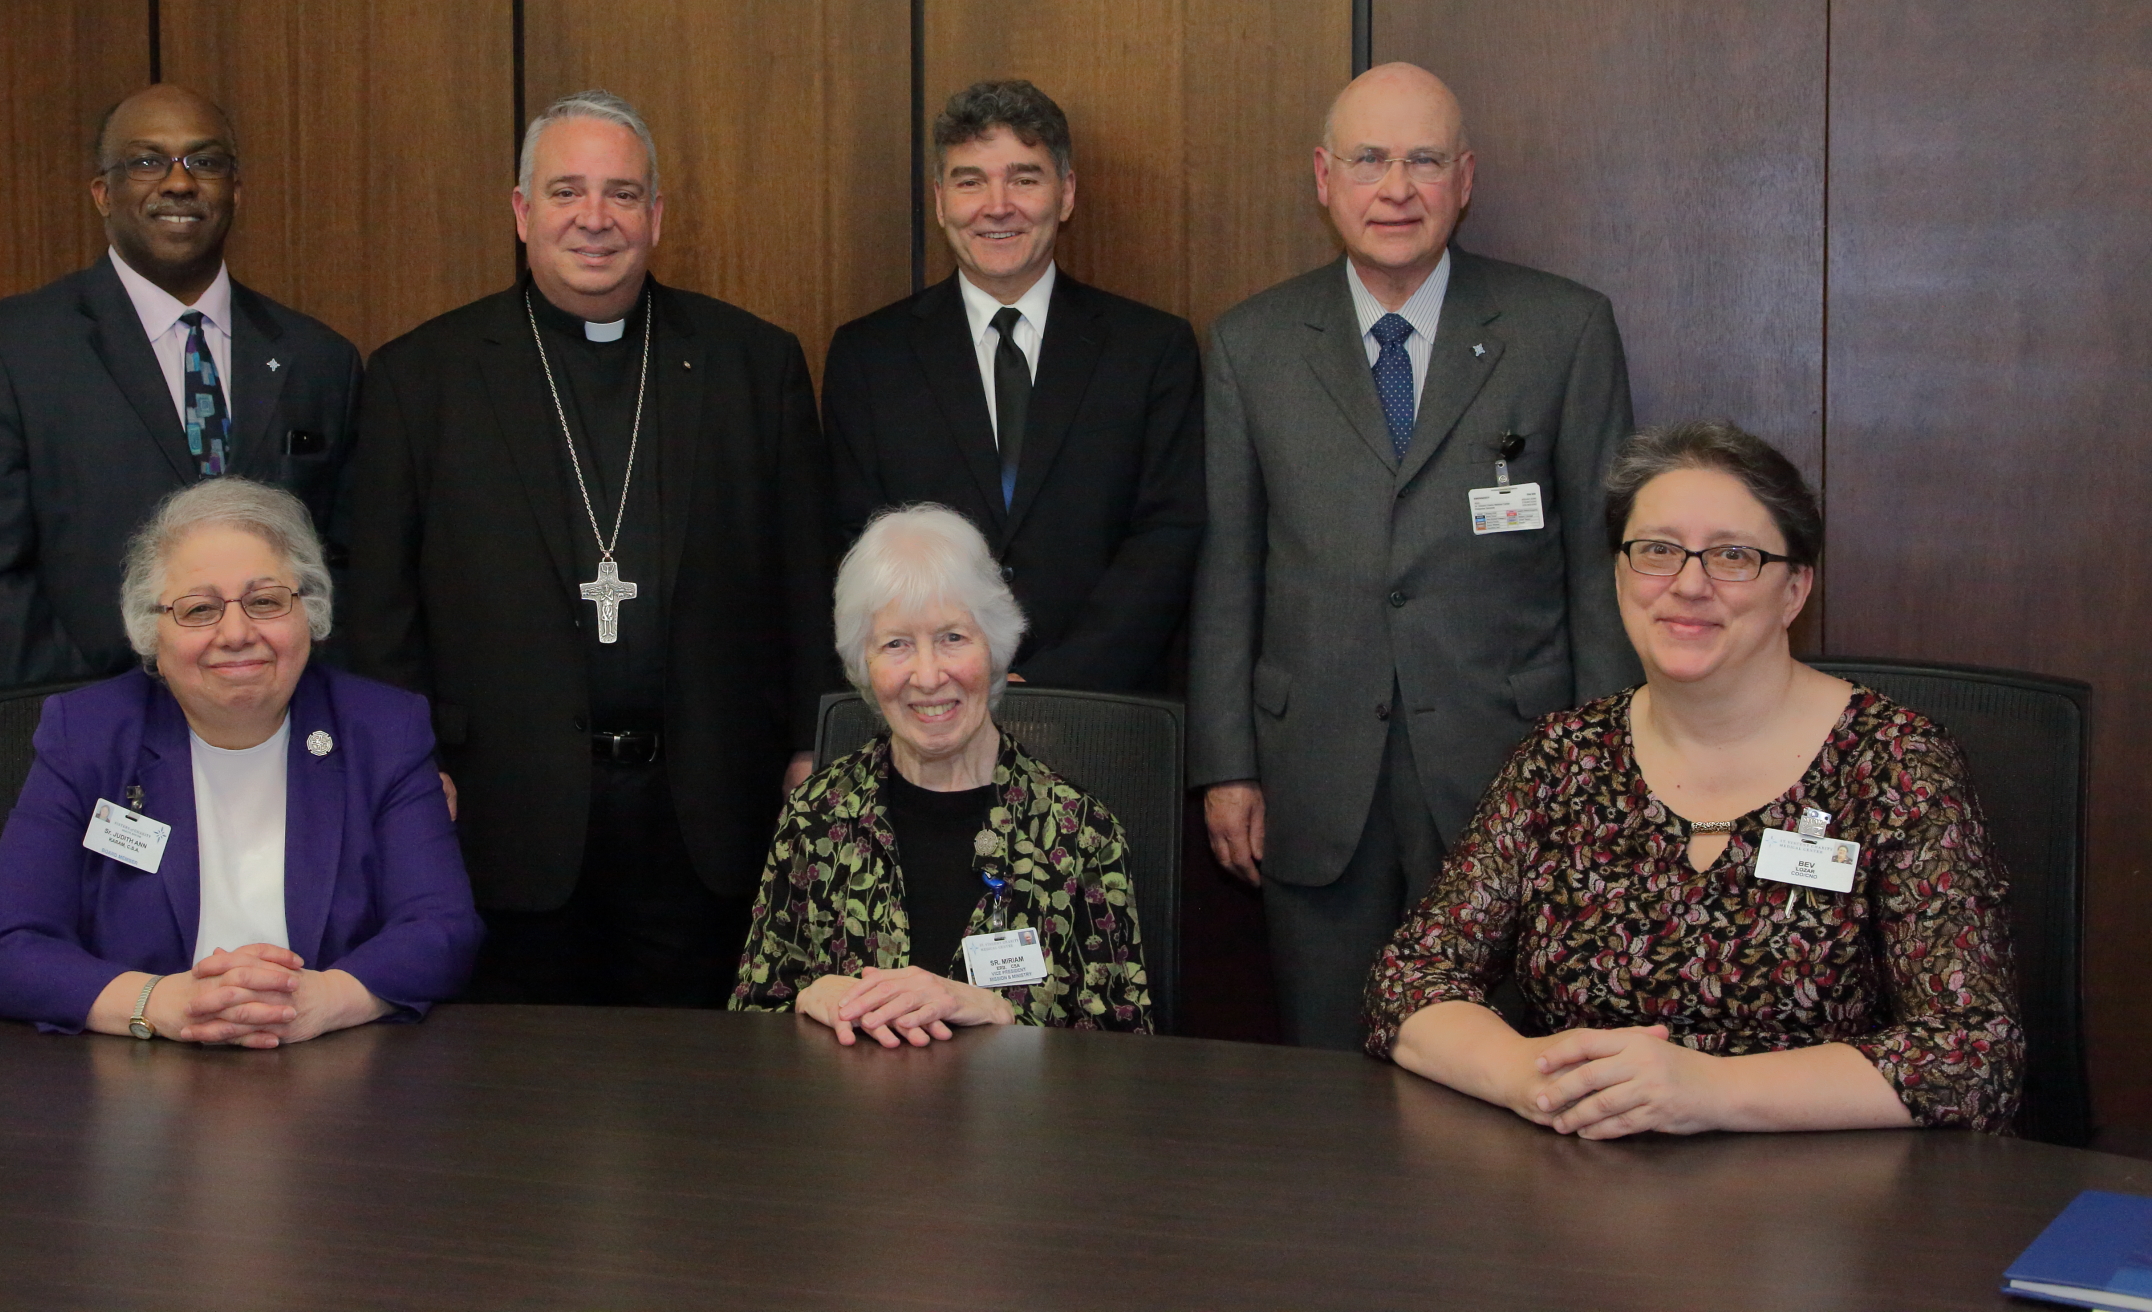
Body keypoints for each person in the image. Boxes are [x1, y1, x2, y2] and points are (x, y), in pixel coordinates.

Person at [1365, 422, 2023, 1136]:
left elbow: (1974, 1053)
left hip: (1817, 1204)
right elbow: (1409, 981)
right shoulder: (1560, 757)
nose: (1687, 584)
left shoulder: (1895, 762)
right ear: (1619, 574)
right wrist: (1530, 1080)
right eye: (1657, 550)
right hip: (1579, 1185)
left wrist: (1708, 1089)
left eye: (1733, 556)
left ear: (1794, 589)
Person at [344, 89, 833, 1009]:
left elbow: (806, 580)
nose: (595, 219)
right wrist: (407, 775)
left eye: (622, 194)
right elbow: (379, 609)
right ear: (522, 211)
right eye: (567, 191)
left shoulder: (751, 365)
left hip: (707, 814)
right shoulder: (424, 377)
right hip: (500, 816)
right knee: (507, 1112)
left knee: (706, 1107)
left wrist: (813, 744)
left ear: (657, 215)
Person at [1191, 61, 1641, 1048]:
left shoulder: (1562, 330)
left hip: (1510, 765)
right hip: (1311, 767)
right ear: (1323, 176)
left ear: (1464, 177)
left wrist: (1607, 768)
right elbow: (1228, 569)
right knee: (1323, 1052)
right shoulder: (1249, 345)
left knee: (1506, 1065)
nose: (1396, 187)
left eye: (1423, 159)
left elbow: (1604, 570)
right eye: (1369, 159)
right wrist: (1225, 761)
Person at [0, 478, 482, 1042]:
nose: (236, 633)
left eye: (265, 602)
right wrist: (158, 1001)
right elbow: (3, 950)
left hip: (338, 1073)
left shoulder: (384, 730)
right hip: (137, 1088)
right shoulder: (88, 735)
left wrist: (324, 999)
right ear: (149, 629)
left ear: (309, 612)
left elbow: (442, 929)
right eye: (199, 609)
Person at [0, 84, 361, 692]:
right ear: (103, 193)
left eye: (203, 162)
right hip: (85, 729)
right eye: (147, 162)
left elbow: (347, 565)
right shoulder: (11, 350)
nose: (179, 183)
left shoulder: (318, 358)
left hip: (280, 722)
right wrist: (97, 718)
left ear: (236, 190)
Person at [821, 80, 1204, 691]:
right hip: (928, 708)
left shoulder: (1152, 350)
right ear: (941, 201)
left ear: (1066, 193)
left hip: (1106, 708)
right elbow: (853, 540)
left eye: (1024, 178)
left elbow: (1167, 538)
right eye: (971, 181)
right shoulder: (869, 357)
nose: (998, 206)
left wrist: (1058, 679)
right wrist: (950, 672)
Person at [731, 503, 1151, 1042]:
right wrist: (806, 1003)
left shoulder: (1080, 835)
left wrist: (1004, 1016)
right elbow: (748, 1034)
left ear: (995, 647)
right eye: (896, 644)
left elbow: (1126, 1064)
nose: (928, 676)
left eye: (953, 637)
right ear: (864, 663)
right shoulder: (814, 818)